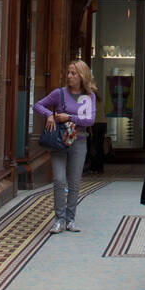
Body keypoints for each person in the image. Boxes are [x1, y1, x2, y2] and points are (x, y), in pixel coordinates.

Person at [34, 61, 96, 234]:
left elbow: (90, 120)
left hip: (79, 140)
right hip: (59, 141)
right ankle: (59, 219)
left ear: (82, 76)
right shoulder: (59, 93)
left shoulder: (88, 96)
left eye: (73, 73)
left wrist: (68, 117)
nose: (69, 76)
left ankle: (70, 219)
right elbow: (38, 105)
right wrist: (50, 115)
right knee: (59, 179)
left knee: (74, 181)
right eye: (68, 73)